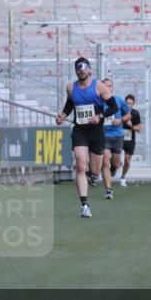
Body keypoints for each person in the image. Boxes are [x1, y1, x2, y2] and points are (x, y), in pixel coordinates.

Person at [56, 57, 119, 218]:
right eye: (79, 69)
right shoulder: (71, 87)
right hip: (80, 131)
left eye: (84, 69)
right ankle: (84, 205)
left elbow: (114, 106)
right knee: (80, 165)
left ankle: (95, 176)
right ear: (76, 71)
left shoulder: (99, 86)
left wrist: (100, 115)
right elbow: (70, 104)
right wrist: (63, 115)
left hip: (96, 131)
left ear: (89, 70)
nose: (82, 71)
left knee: (95, 170)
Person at [99, 78, 130, 200]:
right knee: (105, 161)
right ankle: (108, 190)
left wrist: (121, 120)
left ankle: (112, 171)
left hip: (117, 136)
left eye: (110, 86)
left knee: (116, 164)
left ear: (113, 87)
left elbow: (128, 114)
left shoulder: (119, 100)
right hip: (103, 136)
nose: (108, 88)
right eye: (105, 86)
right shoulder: (98, 102)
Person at [119, 94, 144, 187]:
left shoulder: (135, 114)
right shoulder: (120, 112)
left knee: (127, 161)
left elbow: (139, 129)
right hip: (119, 138)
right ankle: (117, 165)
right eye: (127, 103)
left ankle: (123, 177)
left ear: (133, 104)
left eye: (131, 103)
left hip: (130, 139)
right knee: (115, 159)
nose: (129, 105)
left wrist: (131, 126)